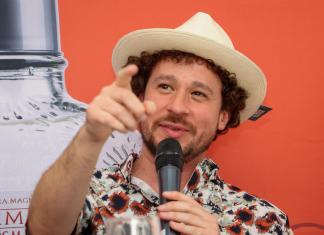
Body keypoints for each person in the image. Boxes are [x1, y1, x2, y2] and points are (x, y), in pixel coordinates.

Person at [27, 12, 293, 235]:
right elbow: (42, 229)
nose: (177, 107)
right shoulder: (88, 196)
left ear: (223, 115)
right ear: (141, 97)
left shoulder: (264, 221)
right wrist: (90, 135)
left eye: (198, 94)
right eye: (165, 86)